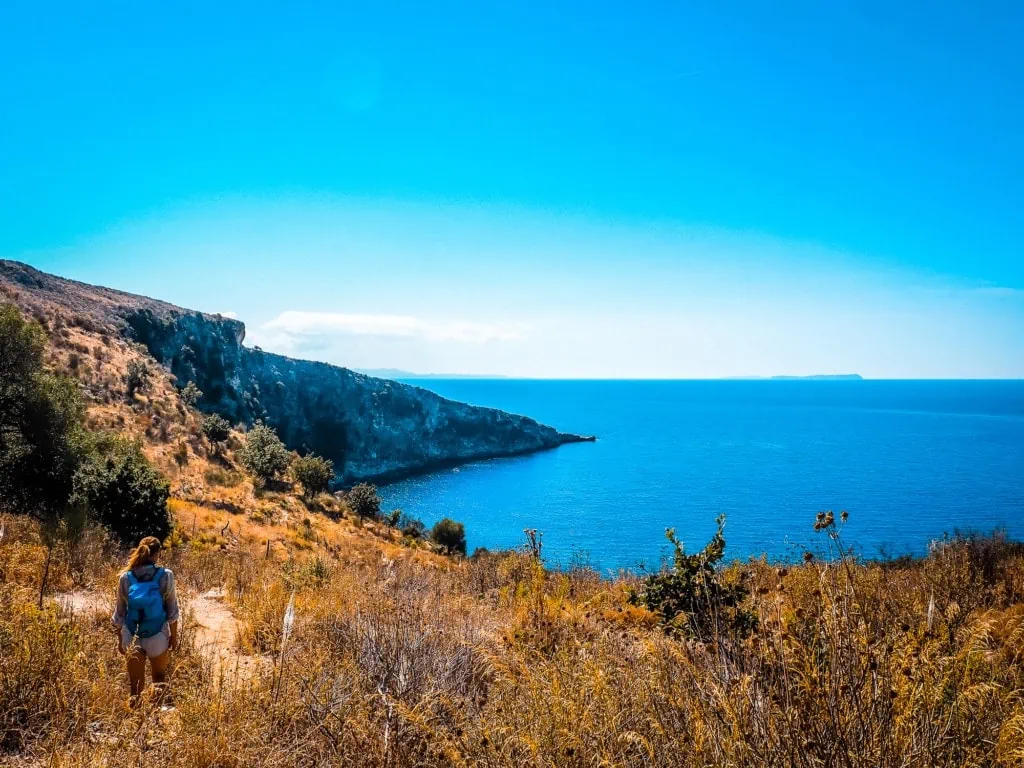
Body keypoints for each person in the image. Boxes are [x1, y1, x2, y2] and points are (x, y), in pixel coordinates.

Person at [111, 536, 180, 705]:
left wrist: (120, 639)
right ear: (158, 554)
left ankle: (135, 717)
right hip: (157, 635)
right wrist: (174, 636)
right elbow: (172, 611)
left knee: (135, 685)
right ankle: (156, 716)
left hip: (131, 634)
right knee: (159, 679)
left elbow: (119, 613)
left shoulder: (125, 578)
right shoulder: (166, 575)